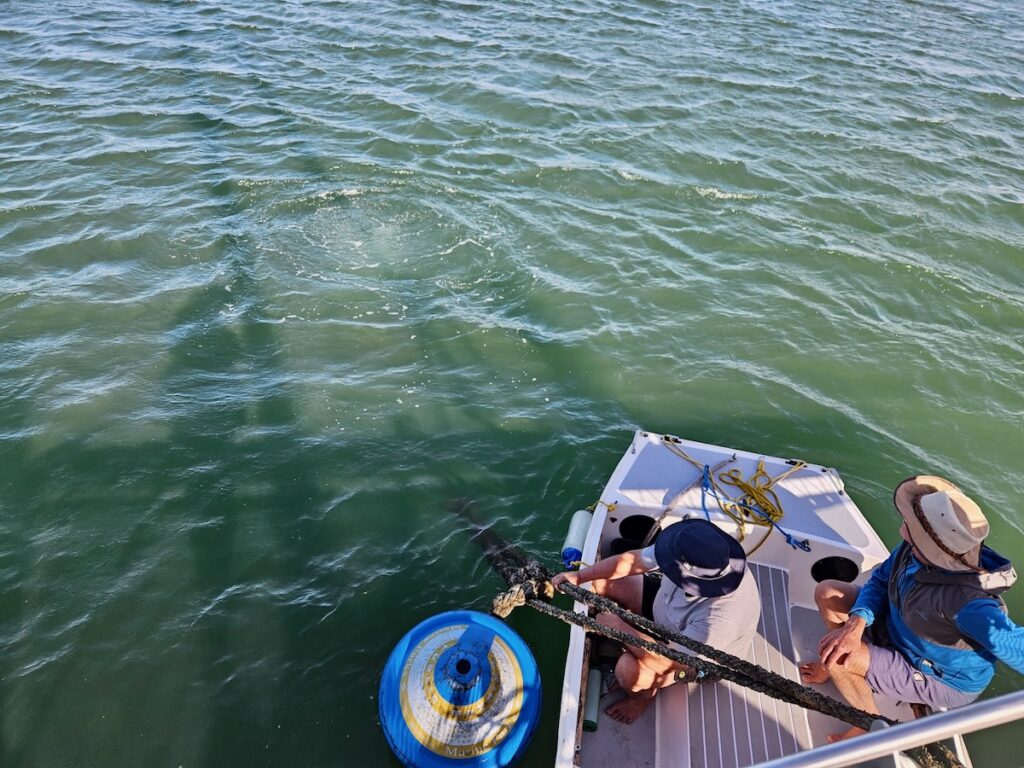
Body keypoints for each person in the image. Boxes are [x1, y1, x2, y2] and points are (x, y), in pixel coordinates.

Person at [800, 475, 1024, 742]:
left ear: (932, 543)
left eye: (912, 526)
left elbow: (1017, 648)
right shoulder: (913, 548)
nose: (903, 530)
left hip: (938, 675)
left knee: (836, 657)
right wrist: (856, 622)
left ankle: (868, 722)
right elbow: (882, 580)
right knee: (827, 592)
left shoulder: (972, 607)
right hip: (899, 631)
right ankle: (858, 664)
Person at [551, 518, 761, 725]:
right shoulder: (687, 549)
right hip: (664, 608)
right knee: (598, 582)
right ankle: (635, 636)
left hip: (688, 660)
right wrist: (579, 576)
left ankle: (641, 698)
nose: (663, 562)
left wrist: (619, 628)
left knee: (629, 671)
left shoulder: (720, 621)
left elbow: (670, 662)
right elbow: (631, 561)